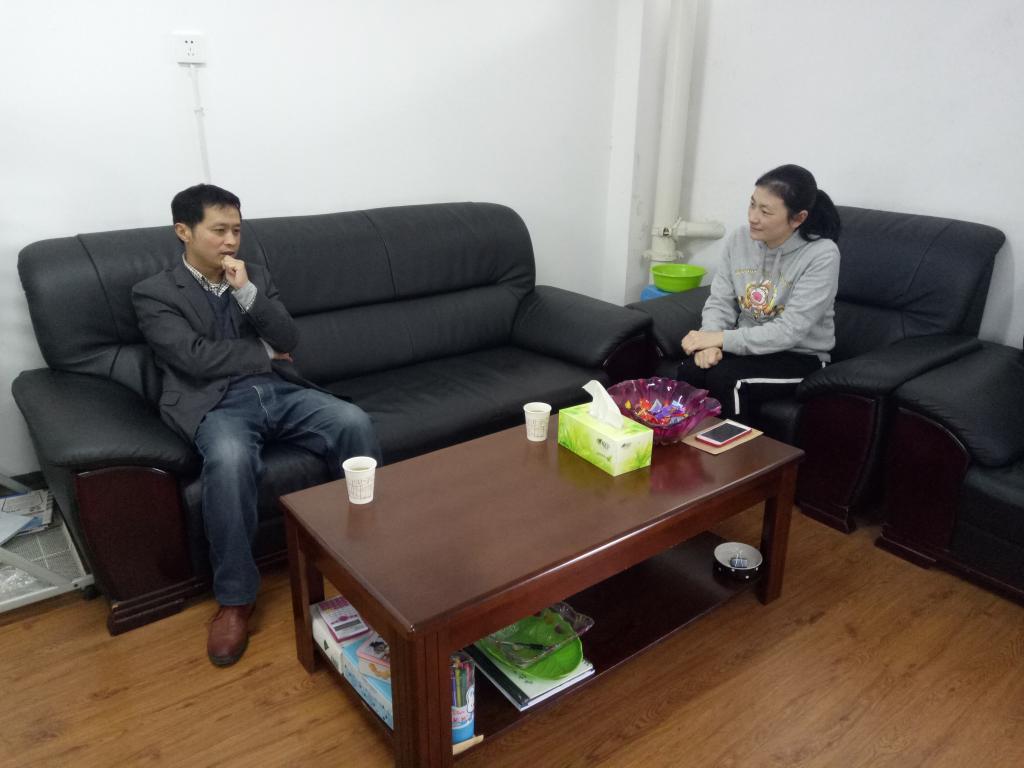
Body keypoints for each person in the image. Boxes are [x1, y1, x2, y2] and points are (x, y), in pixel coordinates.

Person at [132, 184, 381, 667]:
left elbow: (289, 338)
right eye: (218, 230)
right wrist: (264, 351)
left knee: (353, 421)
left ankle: (369, 554)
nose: (230, 241)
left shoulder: (255, 276)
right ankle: (235, 599)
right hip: (216, 403)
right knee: (228, 460)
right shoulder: (153, 293)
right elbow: (193, 359)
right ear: (184, 231)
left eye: (237, 230)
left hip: (279, 390)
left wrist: (246, 292)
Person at [678, 164, 841, 420]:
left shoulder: (822, 254)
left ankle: (733, 447)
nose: (753, 217)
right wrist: (708, 340)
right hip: (747, 344)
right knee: (691, 369)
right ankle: (685, 444)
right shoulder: (739, 239)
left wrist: (720, 339)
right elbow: (720, 300)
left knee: (729, 381)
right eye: (752, 205)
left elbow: (790, 331)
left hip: (799, 355)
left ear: (798, 218)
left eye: (765, 211)